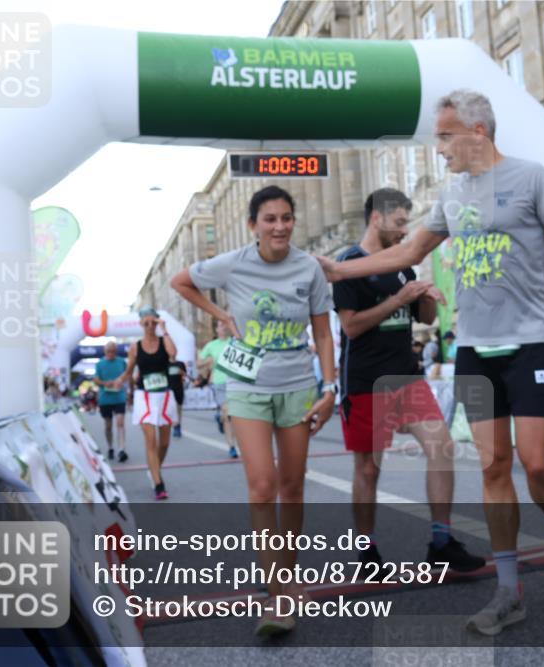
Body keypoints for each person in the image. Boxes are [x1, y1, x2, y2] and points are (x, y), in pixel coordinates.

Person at [318, 89, 544, 636]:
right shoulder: (452, 195)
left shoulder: (532, 178)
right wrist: (340, 272)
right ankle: (508, 591)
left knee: (538, 463)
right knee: (494, 467)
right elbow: (408, 253)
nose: (439, 148)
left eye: (446, 135)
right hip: (475, 351)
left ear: (478, 131)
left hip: (530, 344)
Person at [171, 185, 337, 637]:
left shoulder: (309, 268)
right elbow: (180, 281)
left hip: (299, 386)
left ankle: (290, 571)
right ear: (253, 225)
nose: (280, 226)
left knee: (293, 487)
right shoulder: (233, 263)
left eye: (287, 217)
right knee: (262, 486)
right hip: (246, 386)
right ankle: (278, 591)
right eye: (270, 219)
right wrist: (219, 315)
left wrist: (331, 385)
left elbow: (323, 334)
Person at [334, 187, 486, 575]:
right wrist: (399, 299)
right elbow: (351, 327)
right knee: (368, 469)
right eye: (400, 223)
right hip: (365, 381)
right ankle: (366, 553)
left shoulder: (405, 264)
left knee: (442, 445)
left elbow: (428, 320)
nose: (405, 232)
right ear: (376, 218)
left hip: (406, 377)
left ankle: (441, 542)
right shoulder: (349, 263)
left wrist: (428, 291)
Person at [113, 307, 177, 500]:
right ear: (140, 324)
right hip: (144, 396)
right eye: (146, 323)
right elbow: (129, 370)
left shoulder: (164, 341)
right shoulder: (135, 347)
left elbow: (173, 354)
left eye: (153, 322)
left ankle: (154, 469)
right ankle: (159, 483)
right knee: (151, 440)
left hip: (164, 395)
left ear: (158, 322)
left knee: (164, 443)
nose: (150, 326)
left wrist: (164, 330)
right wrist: (120, 380)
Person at [199, 319, 240, 458]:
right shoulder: (211, 345)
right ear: (216, 329)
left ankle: (220, 418)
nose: (223, 327)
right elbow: (198, 363)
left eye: (225, 324)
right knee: (229, 414)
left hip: (237, 382)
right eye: (220, 325)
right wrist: (208, 361)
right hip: (220, 383)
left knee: (234, 415)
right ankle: (232, 446)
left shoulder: (235, 342)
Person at [93, 341, 129, 462]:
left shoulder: (121, 362)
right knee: (108, 425)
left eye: (113, 351)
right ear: (105, 352)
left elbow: (127, 375)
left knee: (120, 423)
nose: (111, 354)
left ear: (116, 351)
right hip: (105, 399)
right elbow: (96, 380)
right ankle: (110, 447)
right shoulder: (100, 364)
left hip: (119, 397)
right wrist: (104, 383)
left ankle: (121, 449)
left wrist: (123, 383)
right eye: (109, 351)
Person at [167, 358, 187, 438]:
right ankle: (174, 425)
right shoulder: (164, 363)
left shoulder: (180, 363)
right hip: (168, 389)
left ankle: (178, 426)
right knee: (171, 408)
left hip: (179, 388)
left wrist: (182, 373)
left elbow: (184, 375)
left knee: (178, 408)